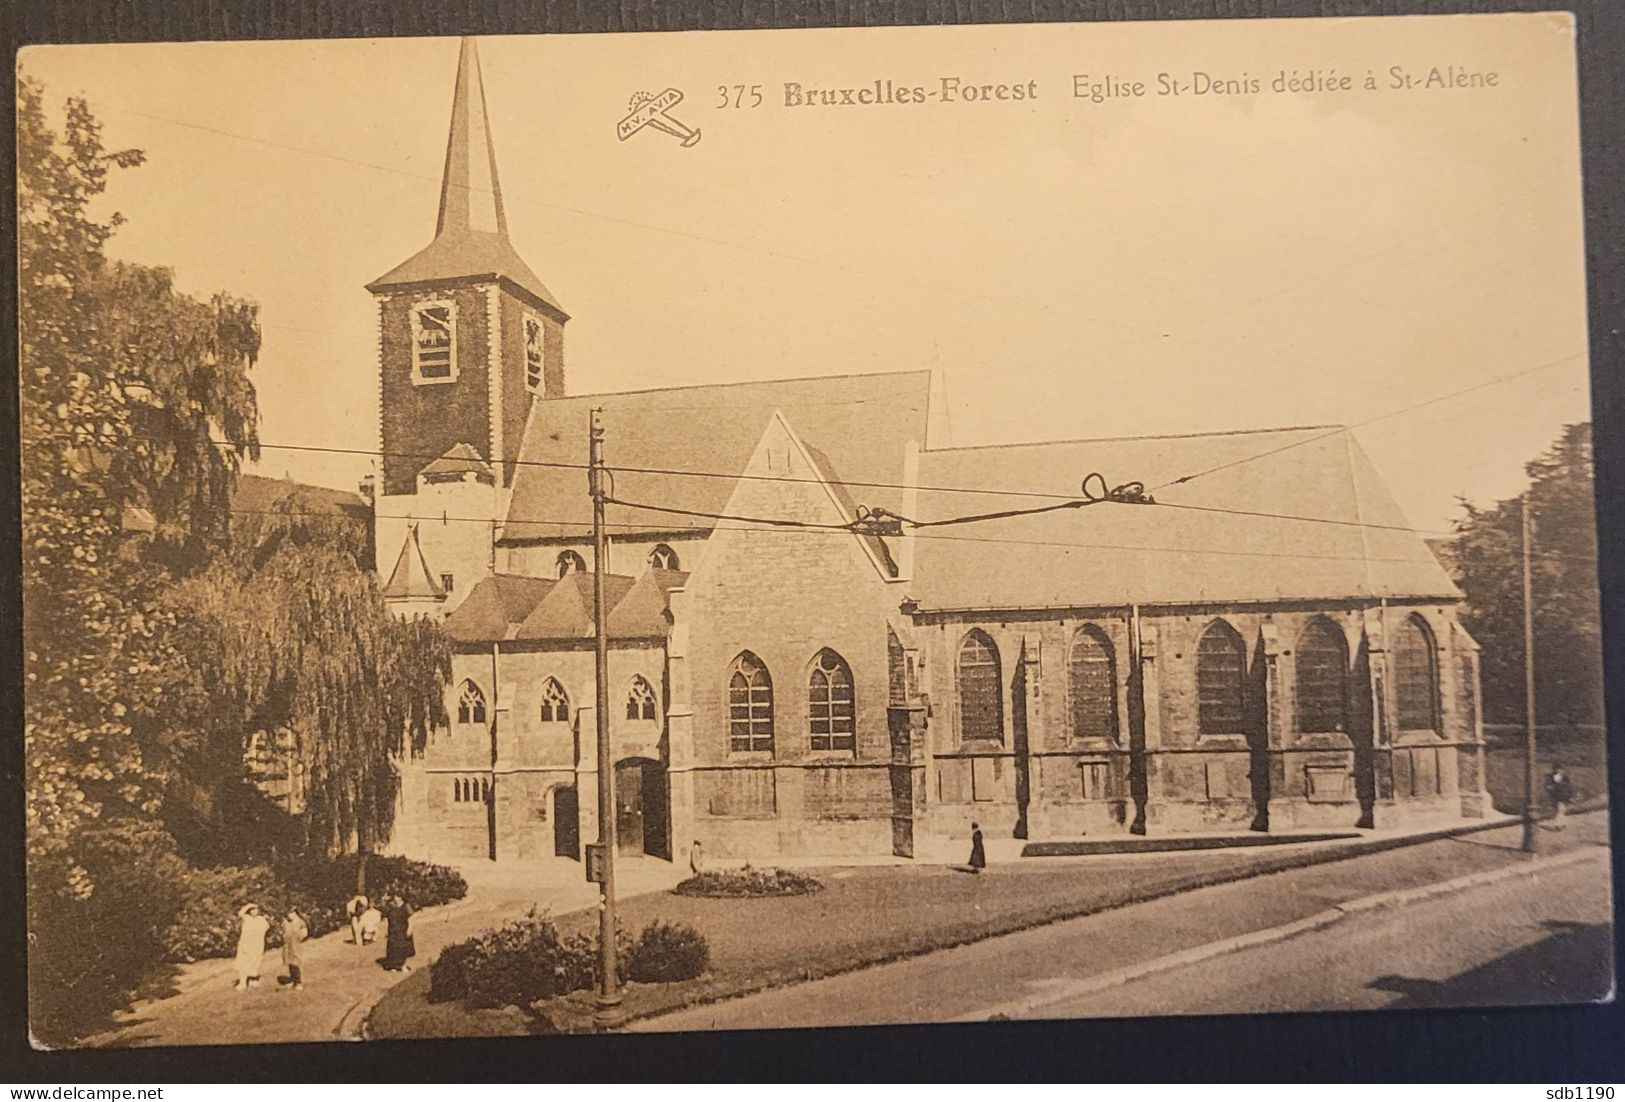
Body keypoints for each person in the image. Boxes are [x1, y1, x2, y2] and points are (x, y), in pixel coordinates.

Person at [233, 903, 269, 991]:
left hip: (257, 945)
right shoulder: (247, 918)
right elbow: (240, 913)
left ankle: (253, 980)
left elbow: (266, 928)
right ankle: (243, 983)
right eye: (252, 910)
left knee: (255, 963)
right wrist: (248, 905)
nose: (254, 912)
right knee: (243, 963)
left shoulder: (261, 919)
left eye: (256, 909)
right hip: (246, 945)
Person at [381, 895, 415, 972]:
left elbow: (410, 918)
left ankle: (403, 965)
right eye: (394, 897)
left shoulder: (406, 906)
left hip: (402, 931)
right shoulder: (391, 906)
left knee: (403, 948)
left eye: (396, 897)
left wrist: (409, 929)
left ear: (401, 897)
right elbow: (386, 916)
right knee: (393, 949)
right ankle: (394, 965)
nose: (395, 899)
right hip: (393, 931)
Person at [281, 907, 308, 989]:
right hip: (287, 946)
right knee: (289, 962)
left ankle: (298, 982)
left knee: (295, 963)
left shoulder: (300, 922)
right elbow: (283, 932)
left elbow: (304, 934)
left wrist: (299, 936)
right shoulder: (286, 922)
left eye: (292, 913)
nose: (290, 915)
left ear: (296, 913)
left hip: (295, 945)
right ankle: (293, 980)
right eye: (288, 914)